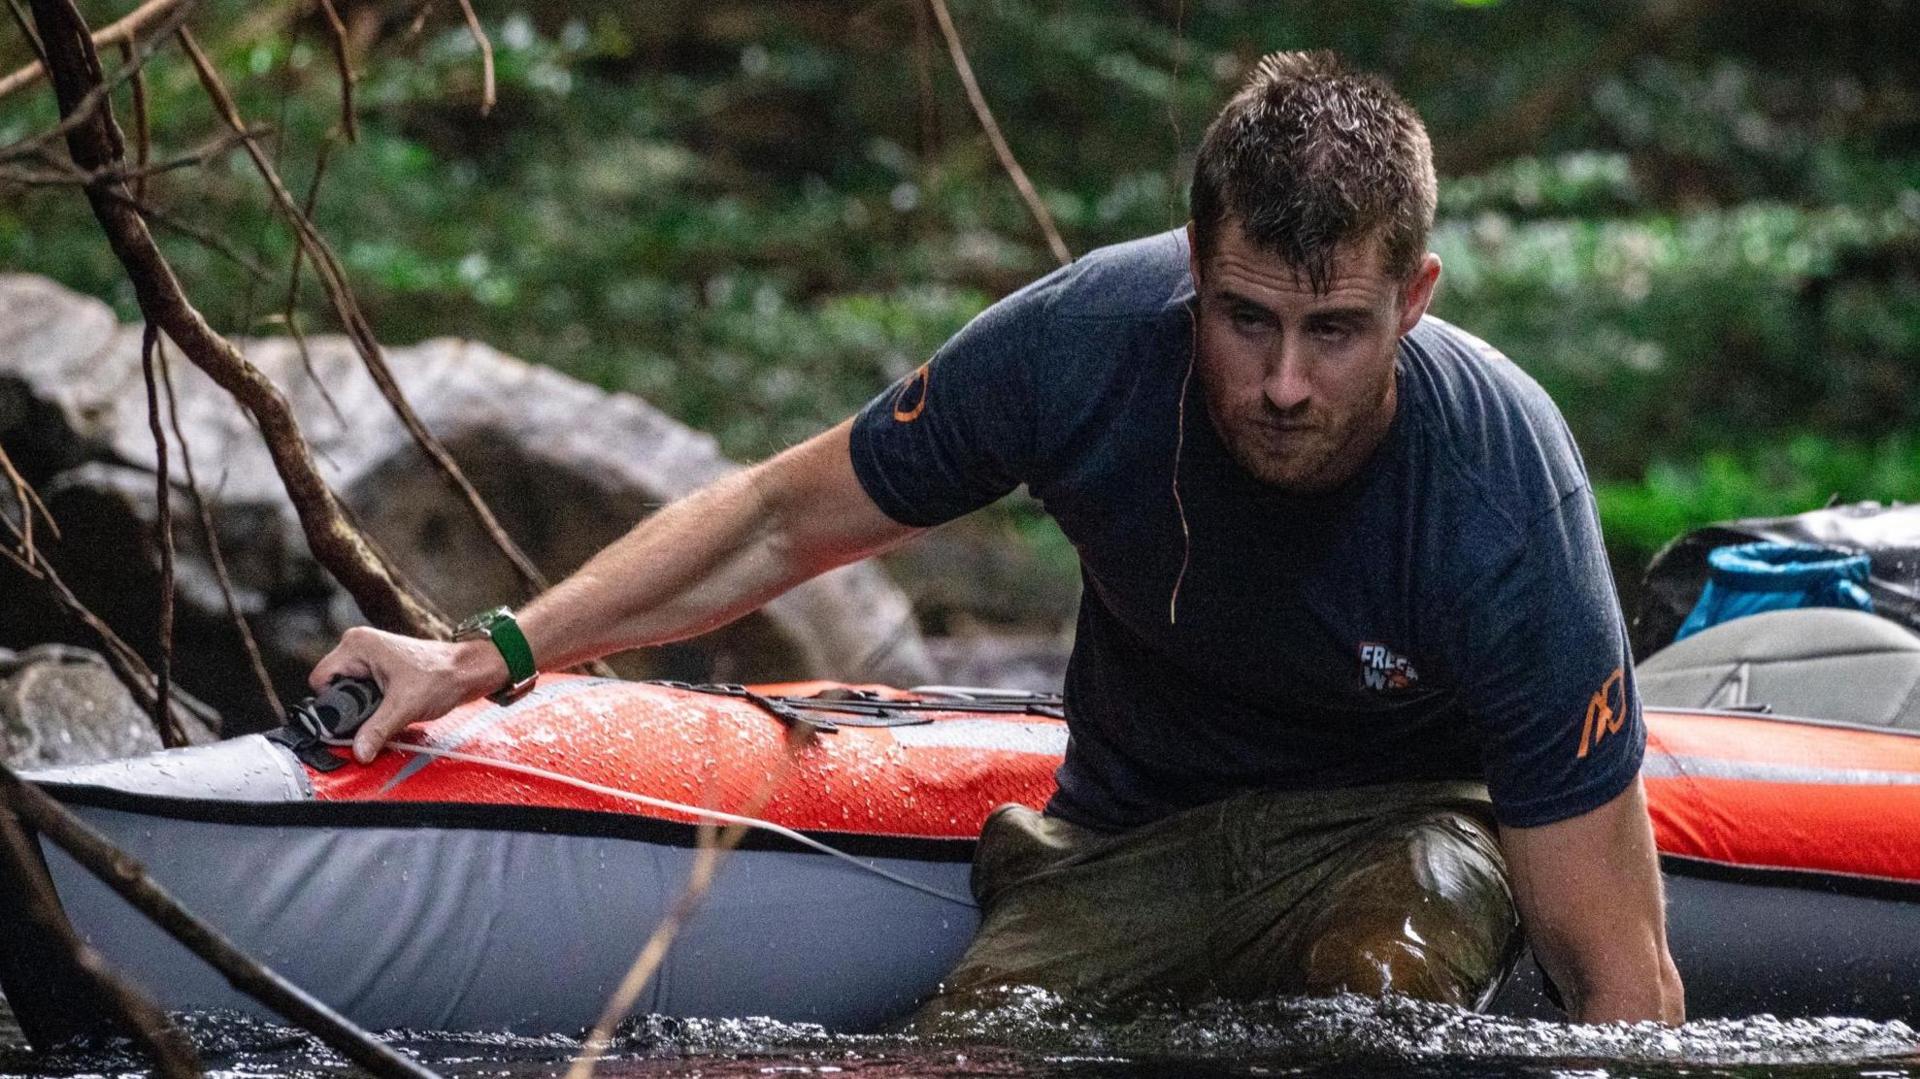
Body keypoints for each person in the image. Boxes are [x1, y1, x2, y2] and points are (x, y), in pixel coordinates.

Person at [311, 49, 1684, 1024]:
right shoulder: (1082, 345)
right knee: (981, 1042)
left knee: (1379, 976)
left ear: (1417, 299)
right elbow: (781, 519)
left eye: (1335, 333)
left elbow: (1620, 972)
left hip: (1404, 829)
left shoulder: (1503, 487)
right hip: (1131, 837)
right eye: (1246, 319)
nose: (1282, 384)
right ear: (1195, 267)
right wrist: (488, 652)